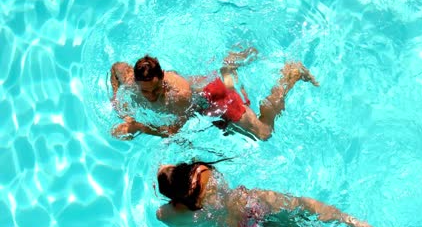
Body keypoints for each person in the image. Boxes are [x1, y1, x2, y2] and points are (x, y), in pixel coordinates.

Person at [156, 161, 398, 227]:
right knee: (309, 207)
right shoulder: (201, 171)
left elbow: (168, 216)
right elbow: (166, 167)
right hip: (252, 204)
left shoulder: (173, 216)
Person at [109, 48, 319, 140]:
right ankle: (228, 68)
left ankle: (290, 74)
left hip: (215, 98)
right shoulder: (131, 83)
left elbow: (172, 132)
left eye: (156, 89)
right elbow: (116, 67)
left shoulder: (178, 95)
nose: (152, 96)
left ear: (163, 76)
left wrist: (136, 127)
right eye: (146, 91)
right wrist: (116, 99)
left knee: (263, 133)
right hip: (203, 91)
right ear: (136, 82)